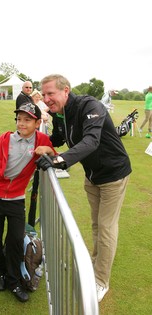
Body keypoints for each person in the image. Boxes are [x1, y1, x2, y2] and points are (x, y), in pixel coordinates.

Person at [36, 74, 132, 303]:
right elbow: (59, 136)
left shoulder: (90, 105)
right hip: (92, 177)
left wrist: (59, 161)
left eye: (51, 93)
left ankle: (100, 282)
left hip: (113, 175)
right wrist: (42, 143)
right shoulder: (61, 113)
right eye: (44, 94)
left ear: (66, 90)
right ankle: (95, 263)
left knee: (106, 228)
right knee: (97, 225)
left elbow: (91, 141)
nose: (47, 99)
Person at [0, 103, 56, 303]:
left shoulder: (41, 139)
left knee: (14, 240)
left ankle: (14, 281)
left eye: (27, 120)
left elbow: (55, 156)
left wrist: (47, 149)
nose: (21, 124)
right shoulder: (4, 139)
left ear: (38, 123)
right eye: (19, 119)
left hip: (16, 199)